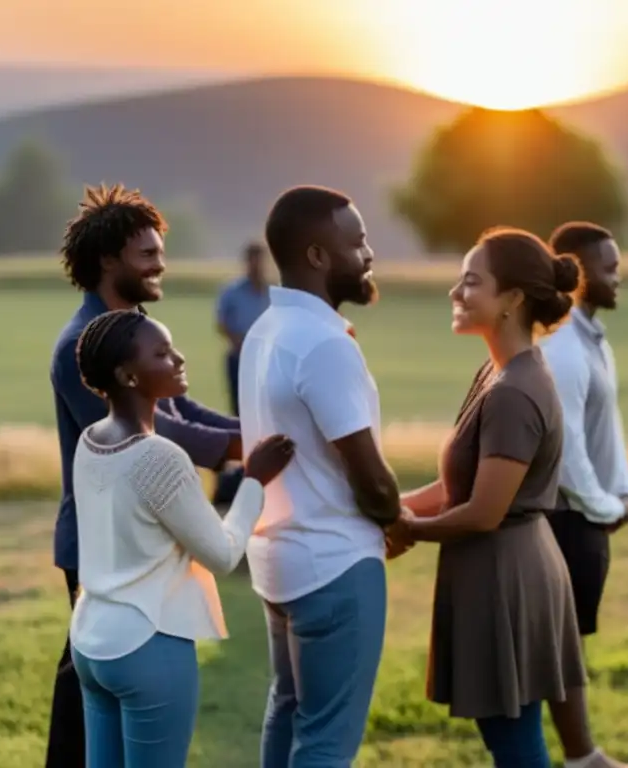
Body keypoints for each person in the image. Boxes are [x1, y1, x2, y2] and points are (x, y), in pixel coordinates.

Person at [398, 228, 628, 768]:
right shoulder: (497, 373)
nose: (454, 293)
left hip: (505, 577)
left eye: (470, 281)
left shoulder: (514, 391)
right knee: (510, 733)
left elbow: (484, 512)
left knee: (513, 739)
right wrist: (396, 507)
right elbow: (457, 489)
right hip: (503, 568)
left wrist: (407, 531)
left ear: (511, 299)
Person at [47, 183, 244, 768]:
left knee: (92, 691)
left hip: (133, 541)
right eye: (147, 254)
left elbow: (185, 413)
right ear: (109, 261)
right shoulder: (82, 346)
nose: (161, 264)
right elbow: (159, 440)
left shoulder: (131, 330)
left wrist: (256, 428)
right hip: (105, 542)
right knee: (85, 696)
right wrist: (252, 454)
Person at [70, 309, 294, 768]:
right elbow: (223, 553)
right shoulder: (159, 457)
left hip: (90, 641)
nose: (178, 358)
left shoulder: (89, 440)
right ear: (127, 375)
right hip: (146, 644)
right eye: (162, 353)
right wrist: (254, 480)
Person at [239, 186, 404, 768]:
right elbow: (373, 482)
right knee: (327, 741)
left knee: (286, 710)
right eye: (356, 242)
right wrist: (397, 519)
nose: (368, 254)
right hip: (335, 565)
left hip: (280, 564)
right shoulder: (323, 344)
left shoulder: (264, 332)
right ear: (317, 255)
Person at [540, 222, 628, 643]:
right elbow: (567, 449)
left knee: (568, 661)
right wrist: (606, 507)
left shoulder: (595, 341)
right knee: (561, 662)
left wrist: (624, 489)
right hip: (567, 523)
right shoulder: (562, 348)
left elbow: (607, 429)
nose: (618, 278)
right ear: (579, 272)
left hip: (589, 521)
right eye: (609, 268)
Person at [216, 241, 271, 416]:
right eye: (252, 260)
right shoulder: (232, 292)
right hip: (239, 357)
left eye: (260, 260)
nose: (256, 265)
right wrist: (239, 342)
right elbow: (221, 322)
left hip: (266, 359)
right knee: (240, 409)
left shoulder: (272, 292)